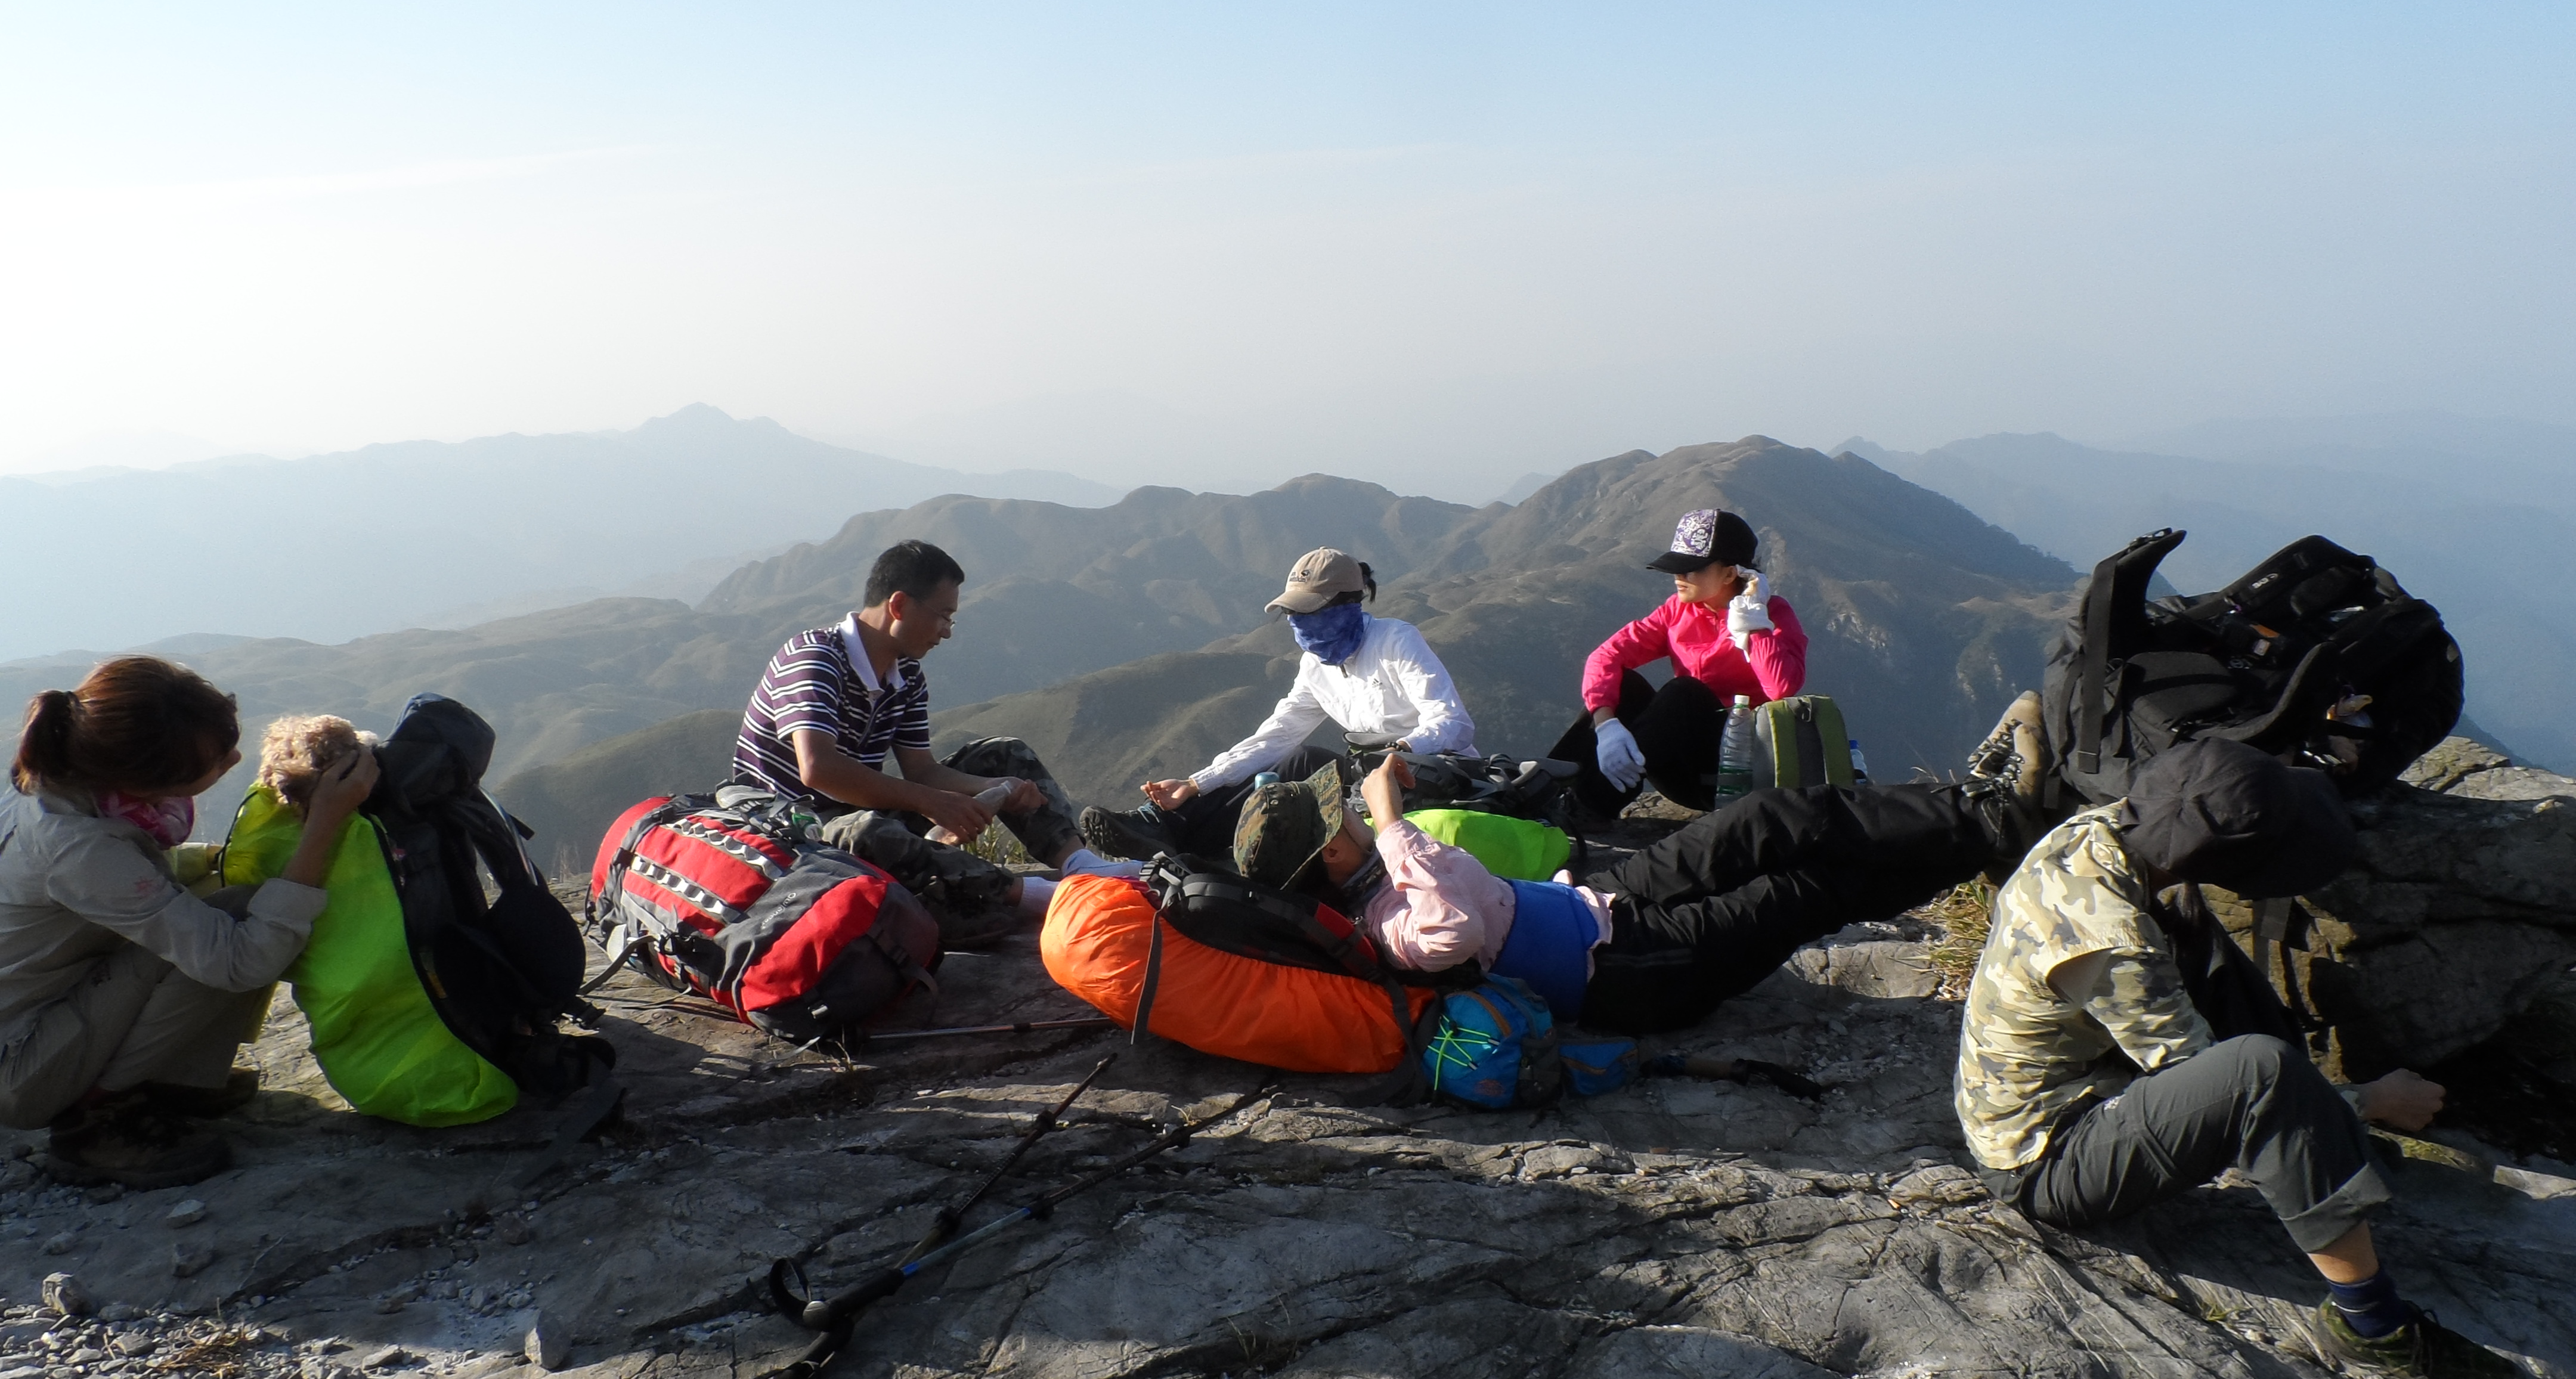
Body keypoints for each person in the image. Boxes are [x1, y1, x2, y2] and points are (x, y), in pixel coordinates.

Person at [1956, 737, 2525, 1379]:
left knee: (2206, 948)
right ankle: (2372, 1324)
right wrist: (2368, 1101)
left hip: (2087, 1083)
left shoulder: (2105, 831)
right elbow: (2229, 1086)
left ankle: (2330, 1163)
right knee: (2261, 1070)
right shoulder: (2108, 938)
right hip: (2049, 1158)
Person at [1234, 746, 2022, 1035]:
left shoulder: (1375, 875)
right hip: (1628, 977)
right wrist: (1398, 827)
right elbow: (1453, 937)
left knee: (1761, 820)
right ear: (1330, 857)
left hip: (1597, 901)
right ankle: (1985, 843)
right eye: (1334, 819)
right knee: (1804, 891)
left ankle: (1979, 808)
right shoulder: (1379, 923)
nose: (1346, 812)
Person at [1, 657, 377, 1187]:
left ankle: (170, 1079)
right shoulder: (79, 846)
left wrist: (205, 861)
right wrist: (324, 826)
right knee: (245, 917)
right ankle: (96, 1119)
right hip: (22, 1066)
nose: (236, 758)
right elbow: (239, 961)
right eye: (219, 761)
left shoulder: (55, 784)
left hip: (30, 1012)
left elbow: (109, 888)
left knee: (216, 888)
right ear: (148, 778)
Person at [732, 539, 1126, 938]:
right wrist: (932, 803)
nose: (947, 632)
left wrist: (994, 789)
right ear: (899, 606)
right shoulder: (814, 658)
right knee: (867, 831)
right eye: (943, 616)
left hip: (860, 816)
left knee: (1006, 756)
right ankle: (1038, 896)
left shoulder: (906, 677)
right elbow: (818, 770)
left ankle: (1081, 865)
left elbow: (921, 771)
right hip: (792, 835)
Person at [1079, 546, 1477, 862]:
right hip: (1367, 778)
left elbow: (1453, 724)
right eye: (1292, 613)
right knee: (1288, 759)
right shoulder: (1316, 666)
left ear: (1347, 603)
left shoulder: (1395, 641)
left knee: (1301, 761)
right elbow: (1275, 736)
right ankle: (1165, 825)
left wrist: (1398, 753)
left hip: (1434, 778)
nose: (1298, 623)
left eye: (1308, 611)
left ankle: (1174, 834)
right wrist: (1196, 783)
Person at [1549, 507, 1809, 819]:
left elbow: (1781, 687)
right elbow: (1605, 656)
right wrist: (1607, 726)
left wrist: (1753, 623)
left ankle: (1587, 807)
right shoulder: (1678, 611)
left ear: (1730, 573)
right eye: (1677, 568)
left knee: (1684, 692)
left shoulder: (1773, 614)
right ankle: (1548, 792)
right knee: (1624, 686)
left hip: (1732, 774)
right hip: (1677, 765)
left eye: (1690, 570)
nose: (1678, 578)